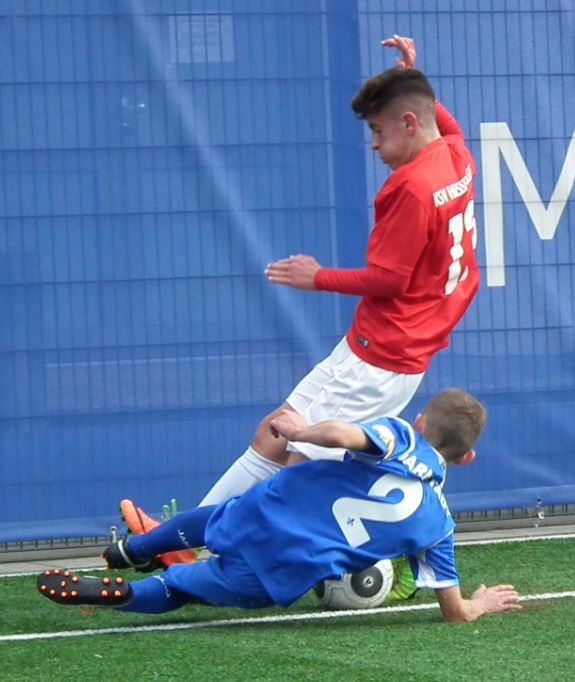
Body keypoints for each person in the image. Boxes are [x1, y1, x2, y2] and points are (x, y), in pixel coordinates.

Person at [119, 36, 480, 601]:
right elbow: (438, 119)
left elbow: (390, 280)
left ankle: (224, 556)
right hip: (386, 349)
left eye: (378, 131)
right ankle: (193, 540)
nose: (374, 145)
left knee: (295, 461)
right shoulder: (456, 154)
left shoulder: (410, 186)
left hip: (381, 354)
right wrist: (413, 75)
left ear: (409, 123)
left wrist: (318, 277)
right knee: (279, 437)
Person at [38, 389, 521, 623]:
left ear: (419, 422)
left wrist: (299, 432)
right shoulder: (440, 526)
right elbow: (454, 612)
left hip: (264, 512)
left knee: (209, 520)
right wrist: (478, 604)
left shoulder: (401, 437)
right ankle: (120, 593)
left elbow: (340, 435)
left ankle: (131, 549)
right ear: (467, 458)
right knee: (180, 587)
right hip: (283, 569)